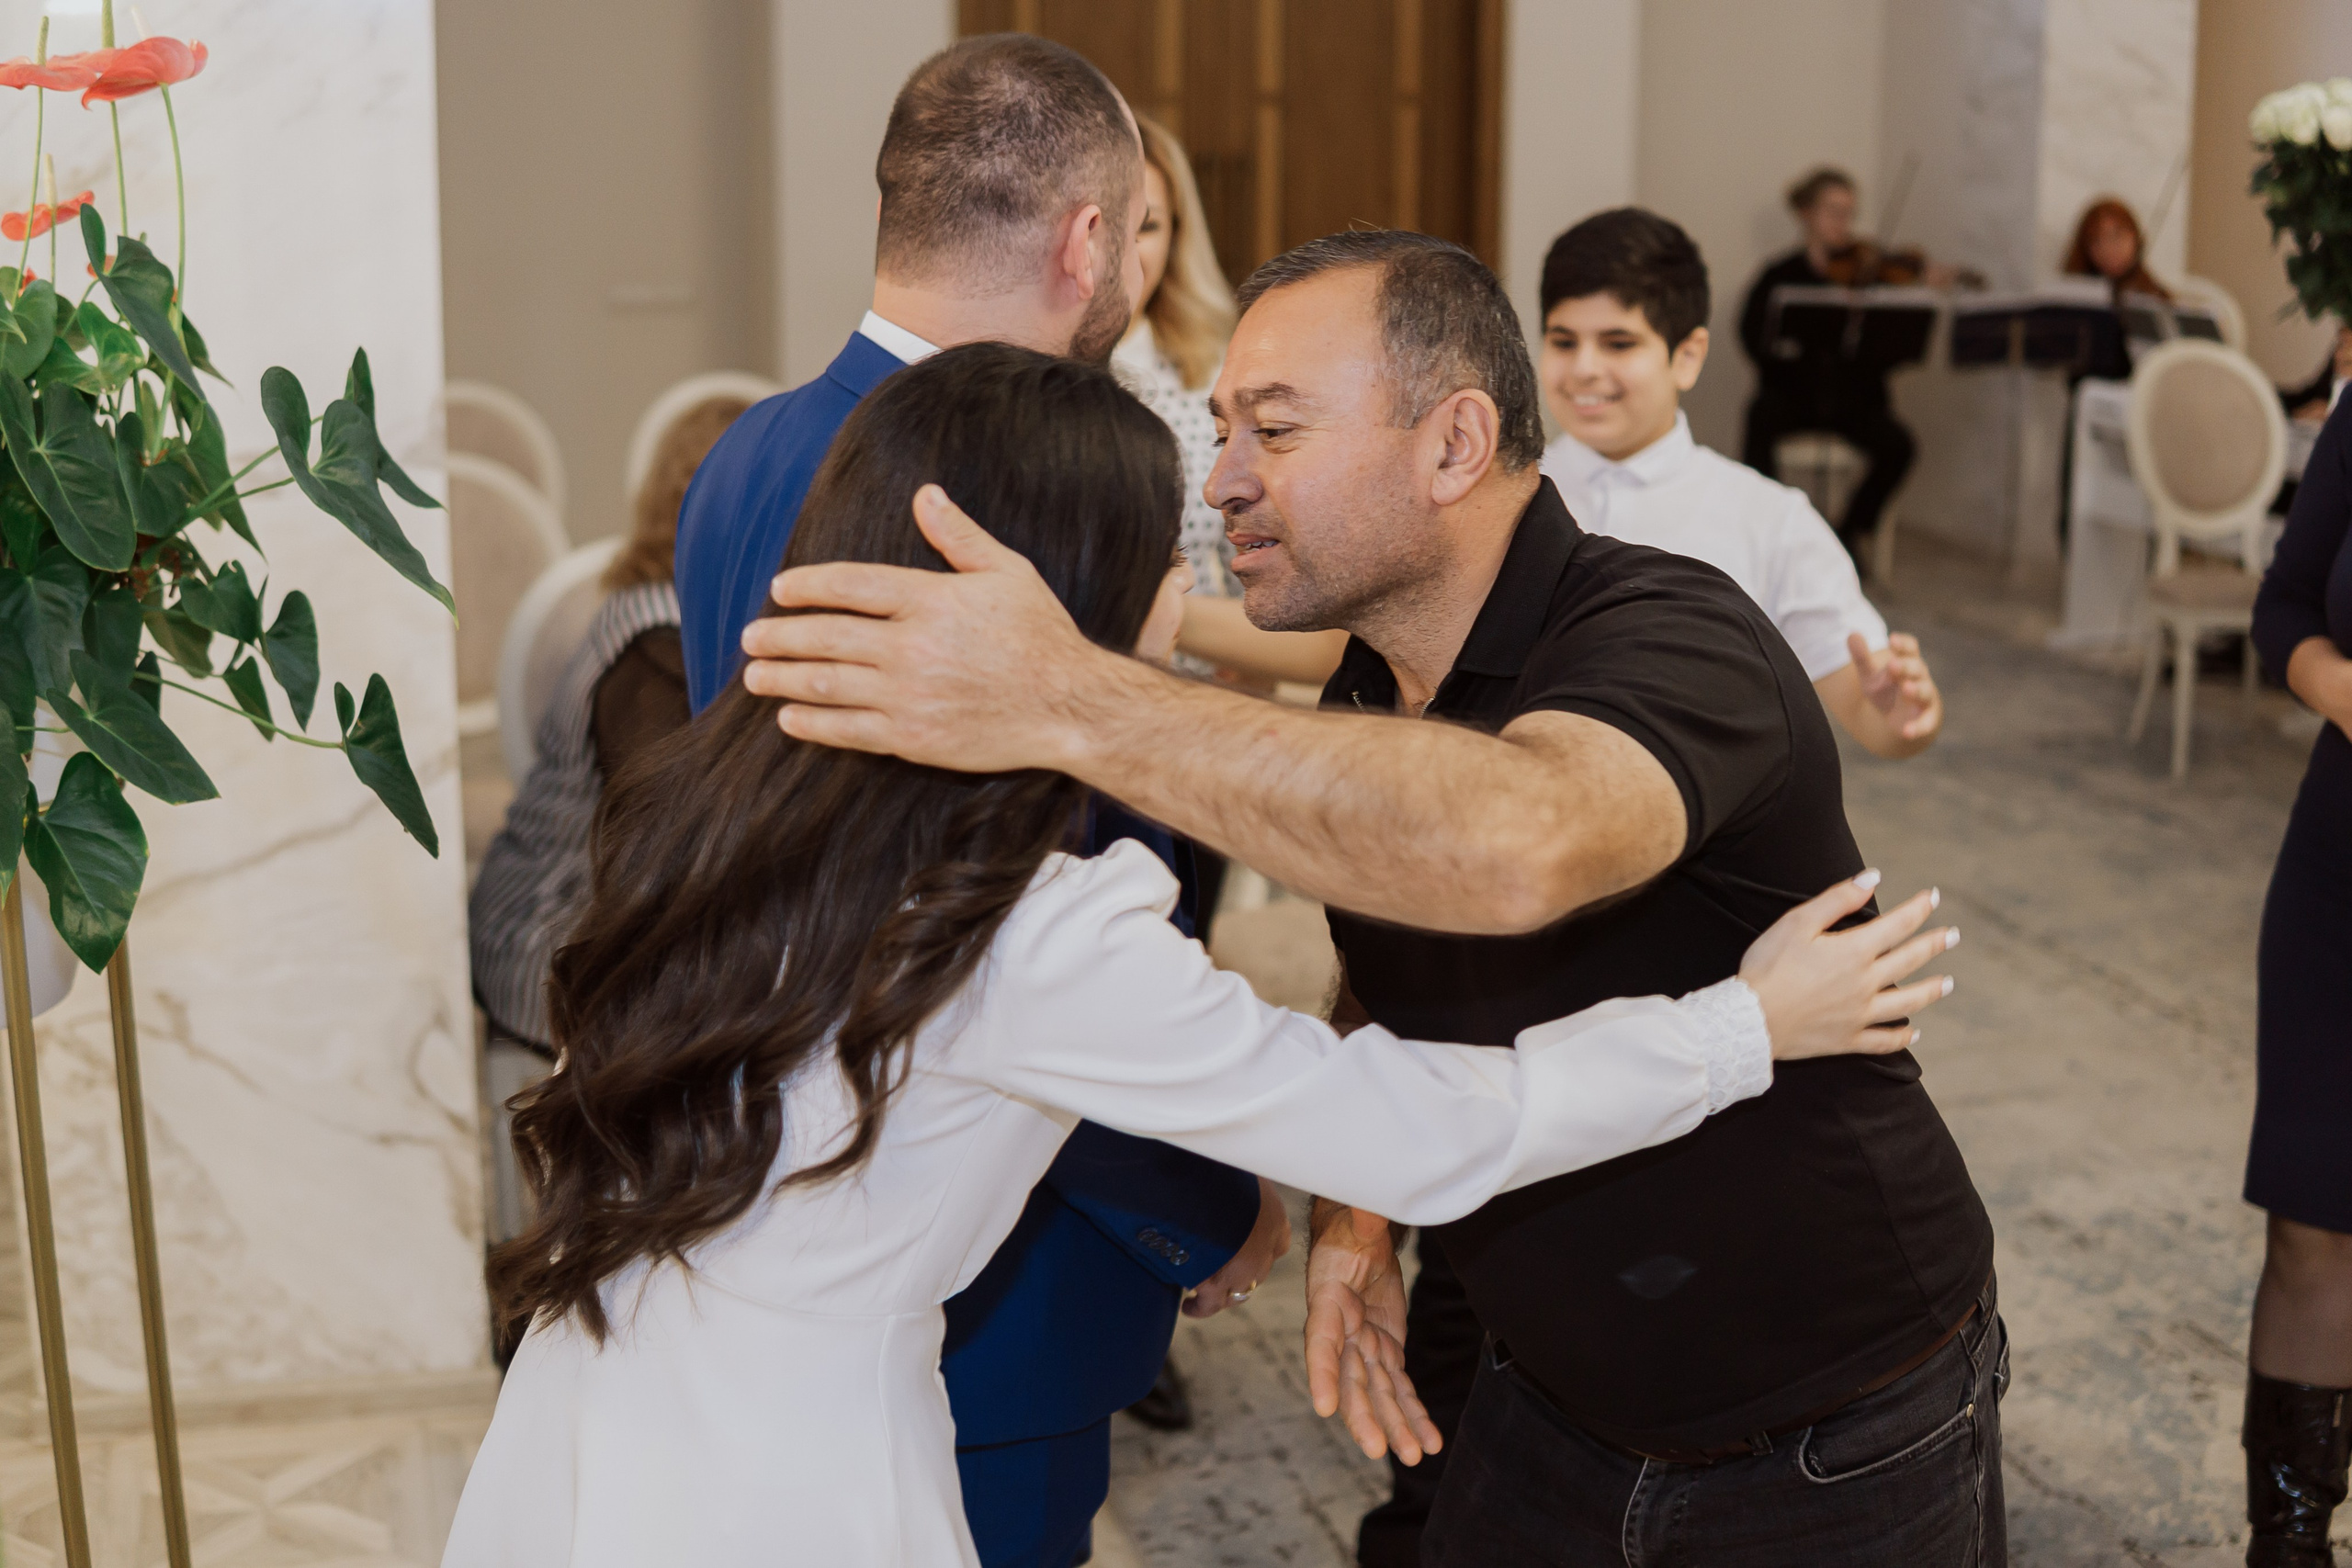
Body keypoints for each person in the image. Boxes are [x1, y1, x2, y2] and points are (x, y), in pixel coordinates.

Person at [442, 342, 1955, 1568]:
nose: (1211, 541)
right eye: (1172, 527)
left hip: (582, 1425)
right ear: (1076, 593)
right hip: (791, 1483)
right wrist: (1744, 1026)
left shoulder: (720, 805)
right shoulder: (1024, 923)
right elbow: (1425, 1125)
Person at [668, 36, 1274, 1568]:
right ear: (1086, 238)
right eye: (1132, 229)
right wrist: (1195, 1205)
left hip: (784, 1196)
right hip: (989, 1250)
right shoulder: (1002, 500)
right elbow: (989, 937)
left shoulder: (747, 445)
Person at [1540, 207, 1942, 761]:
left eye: (1618, 343)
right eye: (1563, 342)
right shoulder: (1503, 492)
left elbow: (1870, 708)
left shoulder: (1771, 519)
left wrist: (1902, 715)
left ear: (1686, 357)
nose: (1584, 368)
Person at [470, 393, 750, 1057]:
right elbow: (665, 851)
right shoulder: (653, 648)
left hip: (618, 917)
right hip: (550, 938)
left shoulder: (705, 618)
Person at [2241, 388, 2352, 1567]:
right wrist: (2341, 689)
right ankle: (2288, 1544)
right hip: (2340, 874)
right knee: (2313, 1229)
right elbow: (2283, 609)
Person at [1739, 167, 1917, 563]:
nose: (1843, 223)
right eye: (1833, 211)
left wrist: (1872, 313)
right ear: (1806, 214)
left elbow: (1894, 352)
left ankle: (1849, 532)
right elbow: (1754, 338)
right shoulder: (1778, 276)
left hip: (1854, 402)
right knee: (1760, 416)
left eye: (1849, 213)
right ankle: (1765, 533)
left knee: (1900, 445)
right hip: (1795, 397)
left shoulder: (1870, 277)